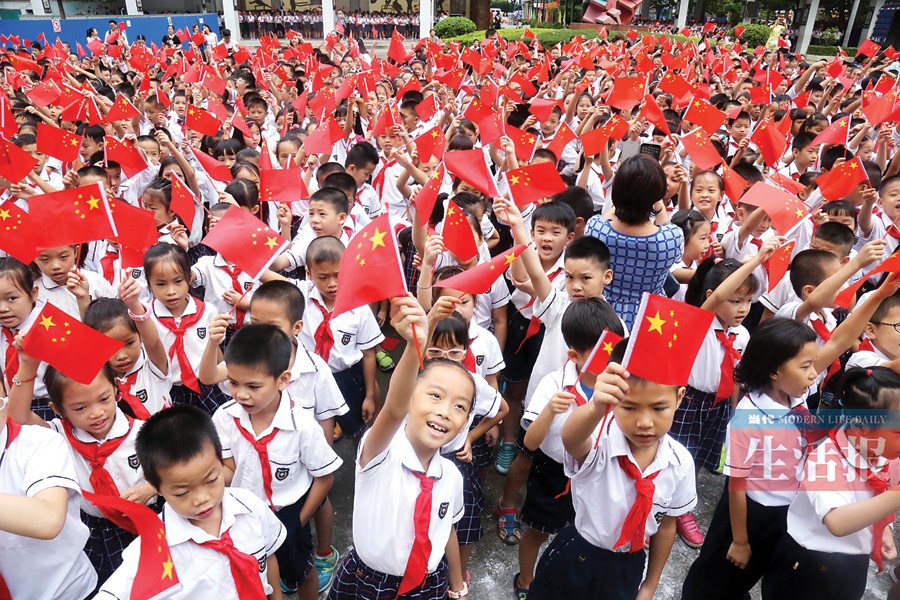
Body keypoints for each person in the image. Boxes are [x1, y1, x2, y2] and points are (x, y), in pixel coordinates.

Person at [527, 342, 697, 599]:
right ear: (614, 401)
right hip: (576, 556)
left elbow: (666, 526)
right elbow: (572, 440)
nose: (644, 423)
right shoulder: (599, 439)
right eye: (629, 407)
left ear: (679, 398)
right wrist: (596, 406)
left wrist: (650, 586)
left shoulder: (680, 462)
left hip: (628, 565)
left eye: (659, 408)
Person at [327, 295, 469, 600]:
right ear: (411, 399)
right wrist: (414, 344)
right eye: (435, 396)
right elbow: (392, 410)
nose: (445, 411)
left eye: (459, 406)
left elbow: (447, 532)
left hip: (428, 584)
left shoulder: (452, 477)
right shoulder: (381, 452)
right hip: (368, 582)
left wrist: (457, 585)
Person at [96, 405, 287, 598]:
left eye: (211, 480)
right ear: (154, 483)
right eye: (182, 492)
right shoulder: (152, 551)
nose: (201, 499)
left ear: (220, 458)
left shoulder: (249, 506)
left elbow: (268, 557)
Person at [584, 155, 683, 330]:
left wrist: (629, 186)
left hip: (603, 314)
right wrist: (653, 190)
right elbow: (665, 223)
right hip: (651, 318)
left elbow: (612, 212)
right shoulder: (671, 238)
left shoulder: (596, 228)